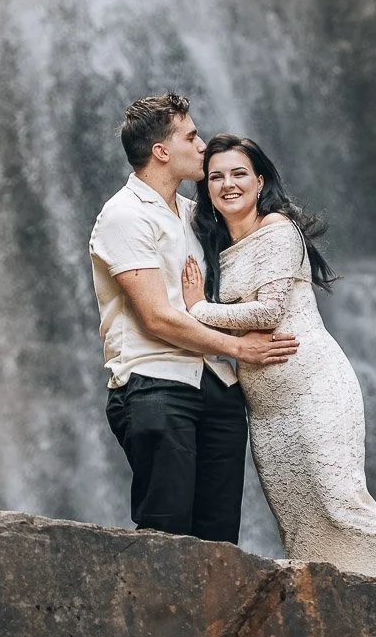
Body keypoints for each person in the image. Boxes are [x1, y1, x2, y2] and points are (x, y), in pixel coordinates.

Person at [181, 133, 376, 587]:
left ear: (260, 181)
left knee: (342, 502)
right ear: (205, 188)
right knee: (302, 524)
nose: (228, 184)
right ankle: (347, 614)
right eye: (216, 176)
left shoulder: (278, 229)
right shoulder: (218, 247)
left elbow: (269, 311)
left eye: (239, 173)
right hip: (266, 411)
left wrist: (197, 310)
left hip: (314, 389)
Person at [89, 94, 299, 543]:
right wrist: (239, 348)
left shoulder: (193, 212)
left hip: (219, 388)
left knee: (220, 540)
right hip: (156, 385)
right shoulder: (124, 216)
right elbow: (157, 318)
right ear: (162, 151)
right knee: (165, 536)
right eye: (191, 136)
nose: (202, 145)